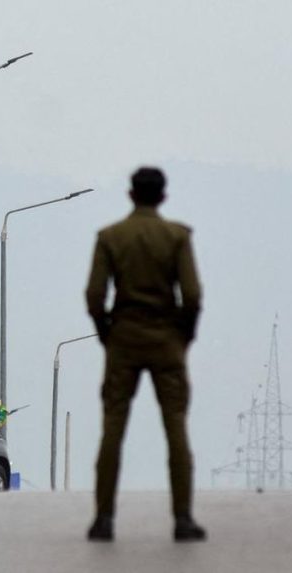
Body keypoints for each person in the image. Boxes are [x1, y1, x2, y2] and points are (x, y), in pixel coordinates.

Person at [84, 167, 207, 542]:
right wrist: (185, 335)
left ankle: (104, 519)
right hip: (167, 340)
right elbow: (192, 295)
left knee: (113, 428)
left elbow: (94, 295)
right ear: (163, 197)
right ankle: (182, 518)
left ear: (131, 195)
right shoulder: (177, 237)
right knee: (176, 427)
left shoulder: (110, 237)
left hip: (123, 339)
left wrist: (106, 332)